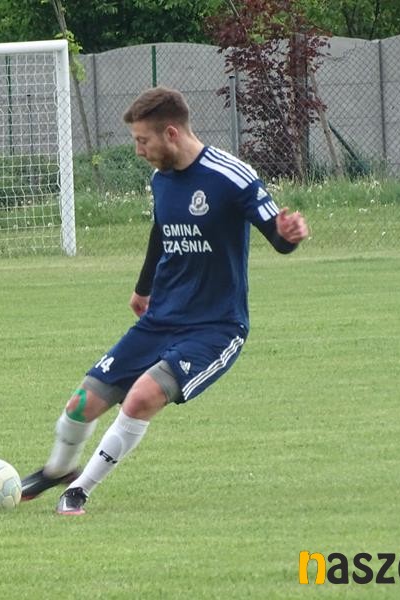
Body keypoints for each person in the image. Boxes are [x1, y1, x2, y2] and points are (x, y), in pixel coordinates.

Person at [21, 86, 309, 515]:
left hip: (214, 327)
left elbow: (278, 235)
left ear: (171, 133)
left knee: (140, 398)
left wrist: (288, 236)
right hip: (161, 318)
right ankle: (57, 470)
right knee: (81, 404)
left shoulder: (232, 176)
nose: (138, 151)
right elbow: (161, 234)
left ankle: (79, 489)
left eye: (143, 141)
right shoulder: (161, 180)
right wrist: (143, 289)